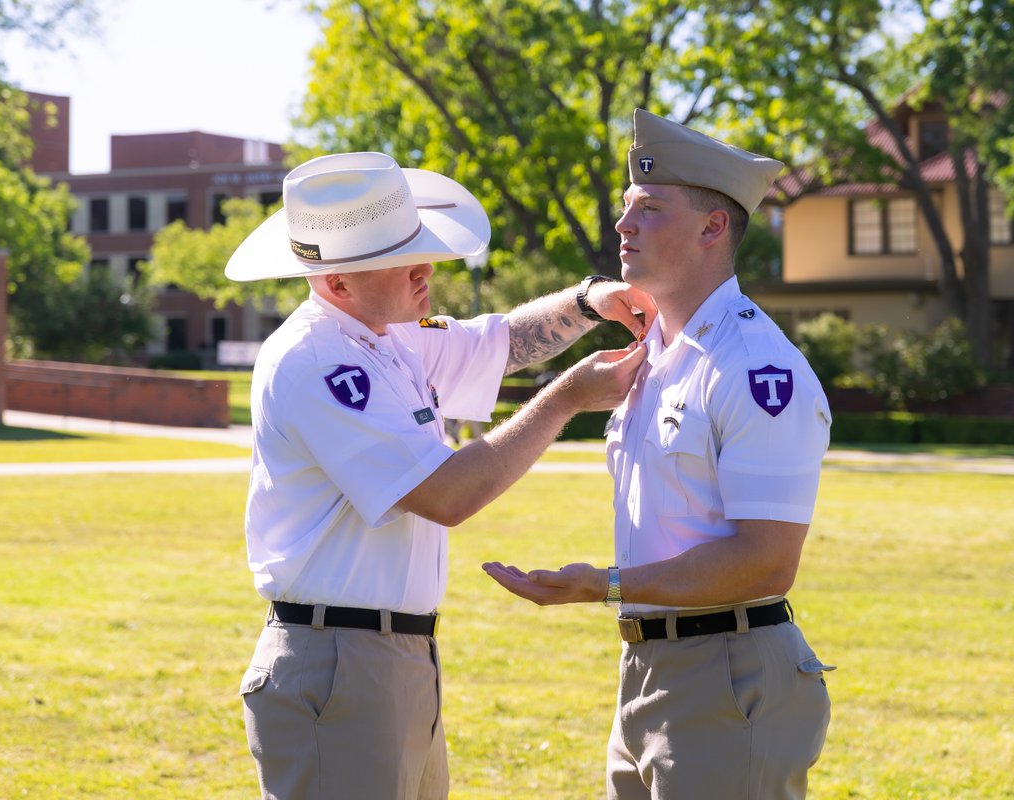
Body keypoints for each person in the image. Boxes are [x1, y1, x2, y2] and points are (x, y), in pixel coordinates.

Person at [225, 151, 653, 800]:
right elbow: (449, 495)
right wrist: (567, 398)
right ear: (337, 283)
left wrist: (590, 300)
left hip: (385, 657)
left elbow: (504, 341)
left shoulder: (387, 334)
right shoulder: (317, 359)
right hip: (340, 660)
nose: (428, 267)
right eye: (404, 258)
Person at [483, 109, 835, 799]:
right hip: (650, 668)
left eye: (648, 208)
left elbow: (768, 560)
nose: (624, 225)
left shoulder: (756, 367)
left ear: (713, 228)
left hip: (726, 674)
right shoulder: (654, 361)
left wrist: (604, 585)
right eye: (626, 208)